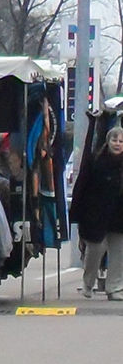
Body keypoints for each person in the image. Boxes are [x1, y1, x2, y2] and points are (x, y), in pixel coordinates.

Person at [68, 125, 123, 300]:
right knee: (95, 250)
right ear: (108, 142)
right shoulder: (96, 161)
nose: (118, 144)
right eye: (114, 140)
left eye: (121, 141)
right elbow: (84, 186)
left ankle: (114, 288)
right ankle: (88, 283)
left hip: (119, 215)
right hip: (96, 214)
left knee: (119, 252)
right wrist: (80, 212)